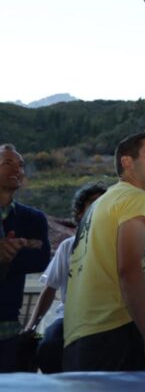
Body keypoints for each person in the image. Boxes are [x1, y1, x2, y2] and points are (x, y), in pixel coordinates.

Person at [62, 132, 145, 372]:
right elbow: (129, 270)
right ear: (127, 162)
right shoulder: (136, 197)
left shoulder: (100, 204)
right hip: (113, 328)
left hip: (78, 333)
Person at [22, 182, 106, 373]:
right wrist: (31, 326)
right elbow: (49, 288)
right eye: (93, 203)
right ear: (80, 213)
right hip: (70, 318)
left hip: (107, 318)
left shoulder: (119, 246)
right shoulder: (69, 246)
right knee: (48, 348)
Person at [0, 143, 50, 372]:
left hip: (8, 329)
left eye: (21, 165)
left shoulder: (33, 219)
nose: (17, 169)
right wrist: (21, 247)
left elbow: (41, 259)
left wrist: (6, 257)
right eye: (8, 162)